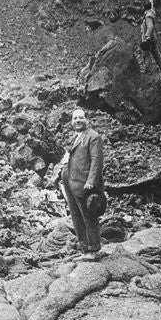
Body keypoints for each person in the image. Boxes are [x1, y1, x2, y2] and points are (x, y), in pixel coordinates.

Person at [59, 108, 105, 260]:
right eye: (75, 118)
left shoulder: (93, 137)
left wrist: (91, 181)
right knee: (76, 215)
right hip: (71, 182)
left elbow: (96, 162)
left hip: (84, 183)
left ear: (87, 119)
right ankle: (85, 248)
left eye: (80, 117)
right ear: (72, 122)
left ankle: (94, 249)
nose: (77, 120)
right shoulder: (76, 137)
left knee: (88, 215)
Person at [138, 0, 161, 73]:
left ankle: (148, 69)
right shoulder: (151, 13)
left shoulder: (148, 16)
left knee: (146, 54)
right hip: (152, 38)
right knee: (155, 53)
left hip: (148, 39)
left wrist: (146, 36)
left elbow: (150, 26)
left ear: (144, 7)